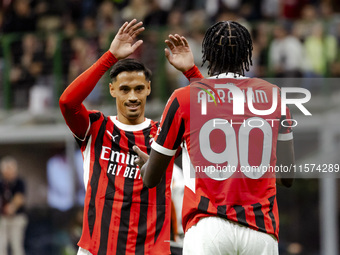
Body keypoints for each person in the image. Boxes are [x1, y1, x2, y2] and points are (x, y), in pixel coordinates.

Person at [134, 20, 295, 254]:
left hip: (207, 227)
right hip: (261, 229)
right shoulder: (275, 96)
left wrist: (145, 165)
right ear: (247, 55)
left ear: (206, 54)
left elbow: (151, 179)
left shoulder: (183, 98)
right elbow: (287, 176)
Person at [59, 19, 203, 255]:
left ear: (148, 88)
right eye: (125, 89)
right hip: (97, 248)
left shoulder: (164, 133)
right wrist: (110, 57)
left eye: (138, 88)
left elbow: (211, 112)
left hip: (150, 250)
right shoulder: (96, 127)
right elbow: (67, 102)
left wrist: (191, 72)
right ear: (112, 90)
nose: (133, 96)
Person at [0, 156, 28, 255]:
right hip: (3, 218)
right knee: (1, 245)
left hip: (17, 218)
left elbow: (19, 198)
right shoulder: (2, 183)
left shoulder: (19, 182)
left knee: (16, 245)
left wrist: (12, 207)